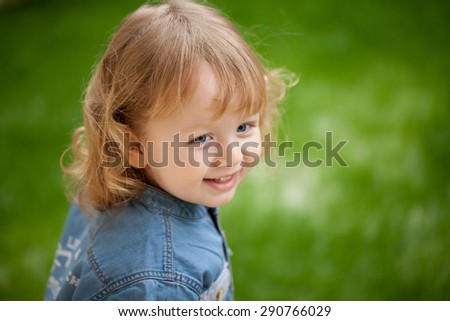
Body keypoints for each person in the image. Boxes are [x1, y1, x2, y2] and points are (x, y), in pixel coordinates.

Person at [45, 0, 293, 300]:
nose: (233, 156)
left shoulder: (120, 182)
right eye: (201, 139)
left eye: (243, 127)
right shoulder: (157, 284)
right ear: (133, 145)